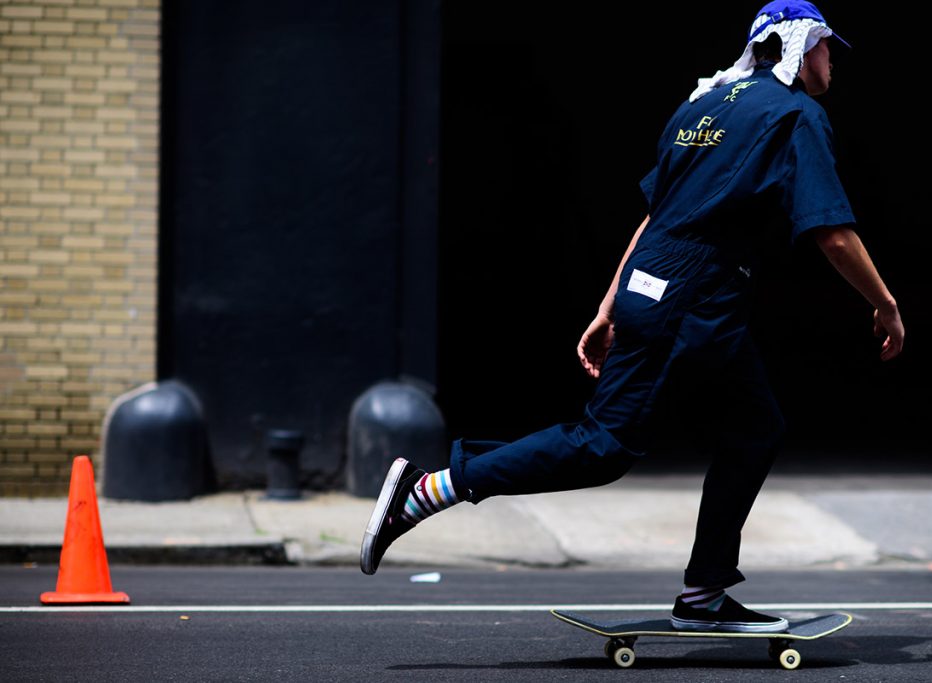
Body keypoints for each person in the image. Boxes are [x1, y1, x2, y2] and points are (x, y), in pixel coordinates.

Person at [360, 0, 904, 634]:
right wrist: (885, 305)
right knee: (611, 445)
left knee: (746, 428)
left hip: (660, 288)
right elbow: (832, 235)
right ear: (798, 48)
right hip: (696, 299)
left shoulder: (702, 105)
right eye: (825, 47)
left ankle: (703, 595)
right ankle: (431, 490)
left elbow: (656, 217)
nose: (832, 59)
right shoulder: (796, 114)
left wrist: (610, 302)